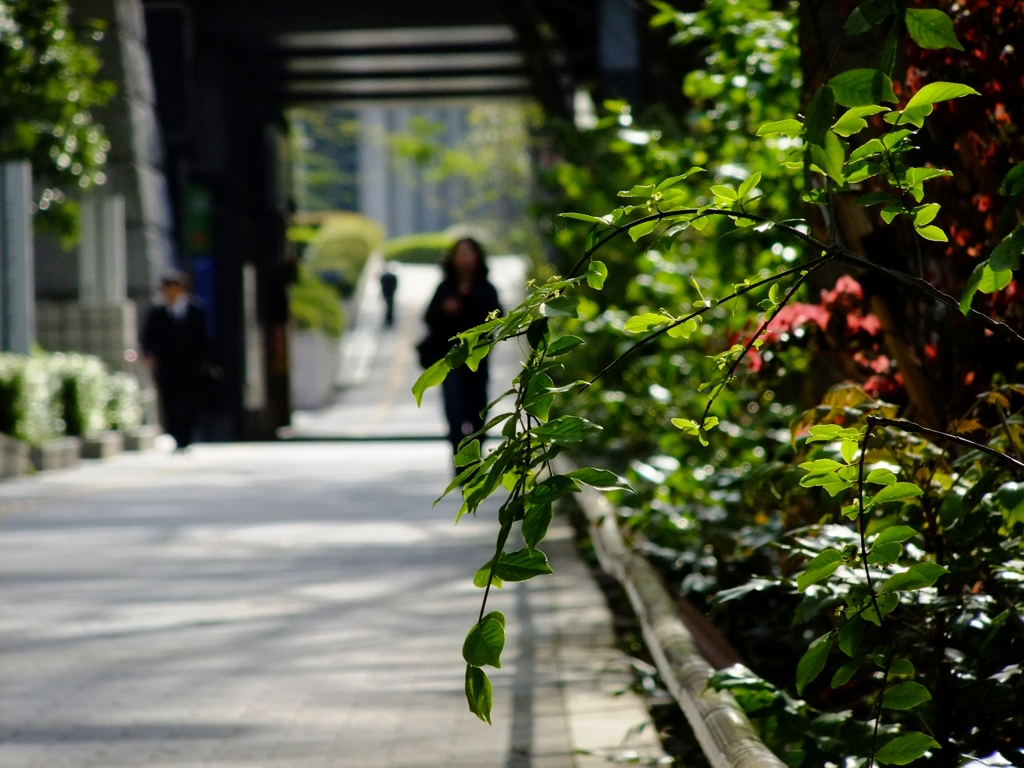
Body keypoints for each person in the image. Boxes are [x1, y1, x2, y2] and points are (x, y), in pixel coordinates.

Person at [424, 239, 502, 457]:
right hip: (450, 361)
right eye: (460, 253)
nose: (465, 258)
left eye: (469, 253)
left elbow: (497, 319)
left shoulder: (486, 289)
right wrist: (445, 310)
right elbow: (429, 318)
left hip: (477, 361)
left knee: (477, 412)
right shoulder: (445, 288)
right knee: (455, 412)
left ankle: (475, 460)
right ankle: (459, 461)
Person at [142, 270, 208, 451]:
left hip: (191, 366)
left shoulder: (196, 310)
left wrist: (205, 361)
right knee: (170, 400)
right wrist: (147, 354)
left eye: (173, 287)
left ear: (181, 289)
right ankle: (176, 435)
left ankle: (188, 435)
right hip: (167, 365)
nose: (169, 292)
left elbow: (203, 339)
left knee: (190, 401)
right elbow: (148, 337)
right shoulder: (157, 312)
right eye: (166, 288)